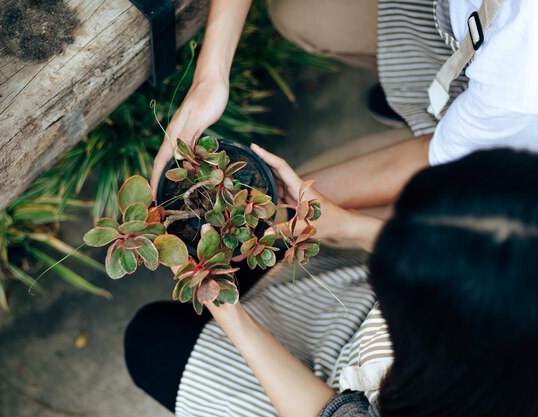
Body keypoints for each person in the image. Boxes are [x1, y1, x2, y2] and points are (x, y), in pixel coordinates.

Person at [126, 147, 538, 416]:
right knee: (253, 247)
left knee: (151, 340)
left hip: (343, 395)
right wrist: (346, 225)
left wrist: (230, 314)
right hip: (369, 336)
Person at [150, 0, 538, 249]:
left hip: (508, 131)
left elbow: (435, 157)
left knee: (334, 206)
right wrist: (210, 79)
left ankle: (444, 116)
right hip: (449, 18)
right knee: (296, 14)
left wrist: (275, 208)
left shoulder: (524, 73)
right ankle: (413, 94)